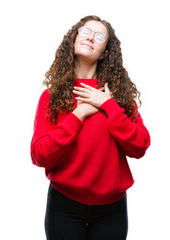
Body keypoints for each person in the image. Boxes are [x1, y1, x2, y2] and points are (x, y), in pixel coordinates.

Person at [30, 15, 150, 240]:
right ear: (74, 39)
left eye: (99, 36)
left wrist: (108, 105)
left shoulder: (118, 97)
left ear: (105, 52)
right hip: (63, 207)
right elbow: (40, 155)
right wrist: (79, 113)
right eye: (85, 31)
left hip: (111, 210)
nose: (91, 38)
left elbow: (140, 146)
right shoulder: (51, 97)